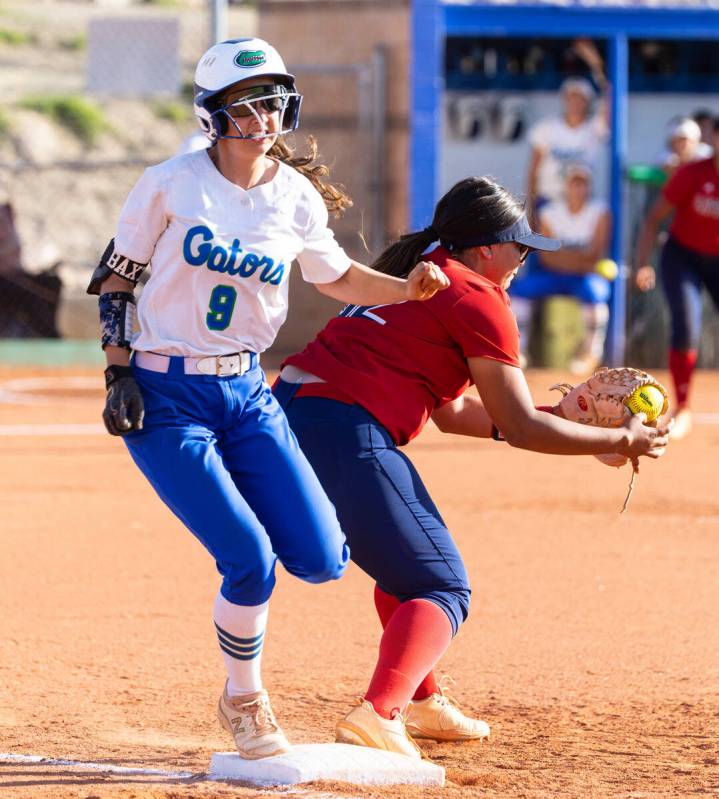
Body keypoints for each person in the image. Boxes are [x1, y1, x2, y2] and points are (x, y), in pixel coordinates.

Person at [86, 37, 448, 761]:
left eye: (272, 96)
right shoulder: (169, 182)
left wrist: (406, 290)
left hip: (248, 389)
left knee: (320, 559)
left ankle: (260, 643)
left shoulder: (294, 193)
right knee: (248, 557)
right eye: (247, 101)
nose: (264, 112)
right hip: (167, 390)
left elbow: (338, 276)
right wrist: (118, 370)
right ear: (212, 115)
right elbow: (118, 278)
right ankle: (243, 697)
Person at [273, 176, 670, 758]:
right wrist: (617, 440)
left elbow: (454, 411)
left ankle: (422, 700)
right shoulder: (477, 296)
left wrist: (570, 421)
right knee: (442, 586)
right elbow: (524, 429)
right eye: (519, 247)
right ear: (486, 247)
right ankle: (379, 714)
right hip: (341, 430)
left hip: (293, 421)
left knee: (408, 571)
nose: (524, 259)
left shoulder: (422, 272)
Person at [634, 117, 719, 440]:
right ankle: (682, 408)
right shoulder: (693, 173)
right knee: (687, 325)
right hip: (682, 256)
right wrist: (643, 263)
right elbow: (653, 219)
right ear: (714, 139)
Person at [511, 163, 612, 374]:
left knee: (596, 293)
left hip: (584, 278)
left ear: (589, 186)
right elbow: (548, 258)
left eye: (582, 183)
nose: (578, 188)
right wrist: (580, 260)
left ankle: (590, 354)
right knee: (519, 291)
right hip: (554, 275)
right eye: (573, 183)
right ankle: (518, 352)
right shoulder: (549, 212)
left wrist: (564, 255)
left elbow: (596, 254)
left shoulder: (600, 211)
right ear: (565, 186)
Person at [526, 39, 609, 221]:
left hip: (580, 205)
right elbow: (533, 172)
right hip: (547, 201)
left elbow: (611, 97)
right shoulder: (546, 128)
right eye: (571, 97)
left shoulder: (594, 129)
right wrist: (531, 209)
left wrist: (597, 65)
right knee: (543, 250)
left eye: (580, 98)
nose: (575, 103)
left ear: (587, 103)